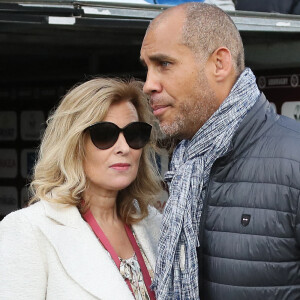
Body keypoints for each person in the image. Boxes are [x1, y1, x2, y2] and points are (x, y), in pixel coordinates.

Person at [140, 2, 300, 300]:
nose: (148, 84)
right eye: (146, 68)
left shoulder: (293, 161)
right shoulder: (187, 164)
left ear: (219, 64)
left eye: (164, 64)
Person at [0, 78, 162, 300]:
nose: (124, 148)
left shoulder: (154, 222)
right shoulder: (29, 230)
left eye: (134, 134)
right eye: (105, 134)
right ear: (73, 144)